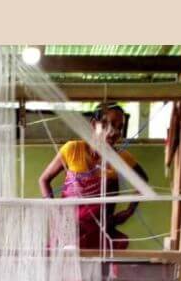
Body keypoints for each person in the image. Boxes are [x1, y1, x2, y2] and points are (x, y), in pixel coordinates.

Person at [38, 102, 149, 251]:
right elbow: (44, 180)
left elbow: (143, 180)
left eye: (119, 127)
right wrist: (55, 214)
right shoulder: (72, 149)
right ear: (93, 124)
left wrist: (129, 212)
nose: (114, 132)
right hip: (68, 230)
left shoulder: (122, 157)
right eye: (106, 125)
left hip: (100, 232)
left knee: (97, 272)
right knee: (65, 269)